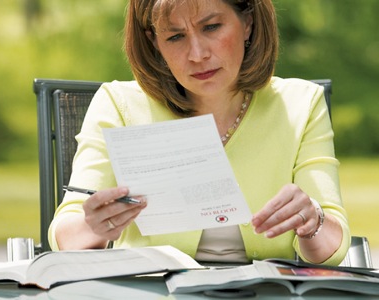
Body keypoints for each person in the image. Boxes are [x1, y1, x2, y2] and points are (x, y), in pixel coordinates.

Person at [48, 0, 350, 265]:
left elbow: (332, 250)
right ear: (155, 42)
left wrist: (313, 222)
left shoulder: (302, 103)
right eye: (175, 36)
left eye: (212, 27)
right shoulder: (119, 104)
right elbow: (66, 234)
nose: (196, 54)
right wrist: (94, 226)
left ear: (248, 23)